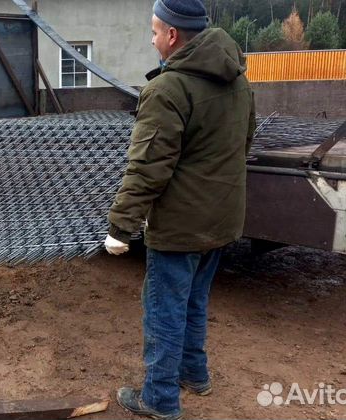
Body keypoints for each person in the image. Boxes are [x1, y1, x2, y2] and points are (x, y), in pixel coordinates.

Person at [105, 0, 256, 418]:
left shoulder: (167, 89)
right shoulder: (238, 78)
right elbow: (243, 142)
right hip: (222, 219)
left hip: (179, 227)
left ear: (172, 36)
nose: (152, 39)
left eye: (154, 32)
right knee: (193, 302)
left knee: (164, 310)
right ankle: (195, 374)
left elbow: (148, 167)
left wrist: (120, 227)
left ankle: (160, 399)